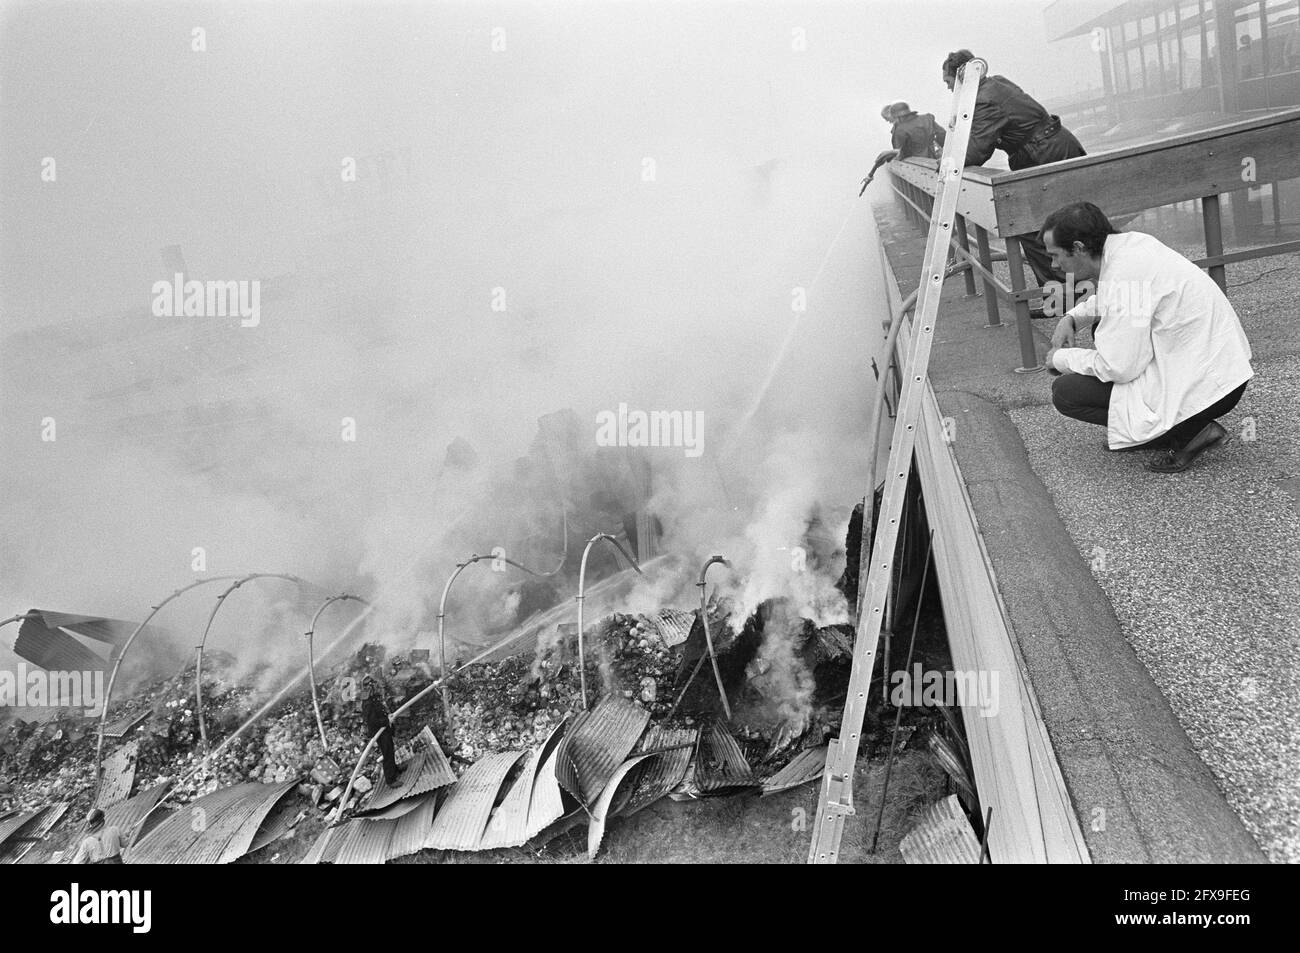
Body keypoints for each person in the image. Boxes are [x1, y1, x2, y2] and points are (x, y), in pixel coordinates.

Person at [1041, 202, 1253, 473]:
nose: (1053, 264)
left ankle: (1190, 433)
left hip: (1208, 389)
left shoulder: (1125, 276)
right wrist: (1072, 318)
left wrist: (1060, 358)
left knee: (1066, 392)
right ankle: (1159, 429)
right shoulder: (1132, 246)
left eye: (1057, 255)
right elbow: (1114, 297)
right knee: (1101, 333)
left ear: (1079, 248)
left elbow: (1119, 367)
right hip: (1223, 372)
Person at [941, 49, 1086, 287]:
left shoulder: (982, 99)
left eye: (949, 82)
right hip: (1053, 147)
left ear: (962, 77)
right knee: (1068, 225)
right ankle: (1072, 293)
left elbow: (976, 150)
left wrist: (946, 162)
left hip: (1045, 155)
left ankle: (1065, 295)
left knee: (1031, 227)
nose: (948, 89)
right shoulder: (995, 84)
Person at [861, 101, 946, 194]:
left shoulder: (900, 129)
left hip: (918, 165)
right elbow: (942, 134)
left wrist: (890, 157)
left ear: (898, 117)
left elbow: (900, 152)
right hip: (935, 159)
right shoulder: (927, 118)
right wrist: (945, 153)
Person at [360, 674, 403, 785]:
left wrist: (387, 718)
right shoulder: (367, 703)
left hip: (385, 729)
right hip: (380, 732)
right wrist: (386, 720)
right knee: (387, 753)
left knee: (390, 749)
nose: (375, 687)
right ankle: (390, 779)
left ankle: (395, 769)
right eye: (372, 685)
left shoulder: (373, 698)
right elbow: (372, 722)